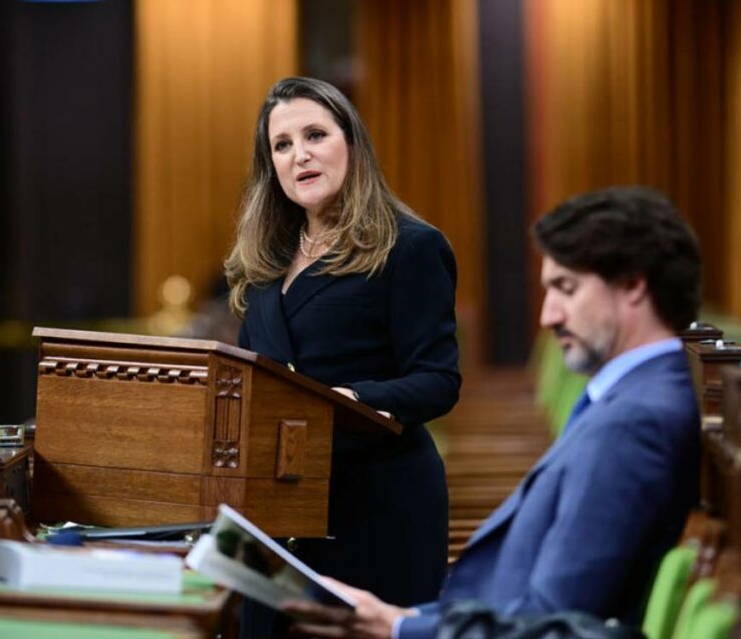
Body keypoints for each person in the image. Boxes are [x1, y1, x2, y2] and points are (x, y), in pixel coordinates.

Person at [284, 186, 702, 638]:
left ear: (633, 285)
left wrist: (401, 629)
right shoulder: (639, 397)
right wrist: (405, 620)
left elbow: (552, 624)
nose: (549, 316)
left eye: (567, 288)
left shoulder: (635, 421)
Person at [223, 77, 461, 632]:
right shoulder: (264, 263)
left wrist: (347, 400)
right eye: (281, 145)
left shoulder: (410, 246)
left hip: (377, 504)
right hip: (276, 504)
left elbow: (438, 380)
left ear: (351, 143)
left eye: (314, 134)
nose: (299, 154)